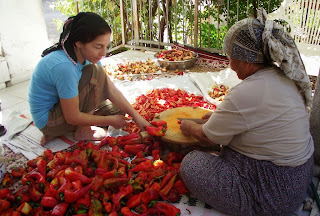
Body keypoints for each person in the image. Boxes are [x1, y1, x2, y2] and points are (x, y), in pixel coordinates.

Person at [179, 8, 314, 216]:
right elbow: (256, 120)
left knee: (191, 165)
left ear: (244, 59)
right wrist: (217, 119)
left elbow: (207, 137)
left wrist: (188, 126)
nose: (229, 63)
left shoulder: (246, 92)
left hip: (273, 192)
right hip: (300, 176)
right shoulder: (281, 77)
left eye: (230, 56)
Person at [28, 12, 150, 146]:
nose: (103, 53)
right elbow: (72, 116)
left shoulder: (87, 57)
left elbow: (111, 90)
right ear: (79, 43)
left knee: (117, 110)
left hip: (64, 107)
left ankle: (65, 130)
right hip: (49, 120)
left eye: (106, 46)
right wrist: (110, 120)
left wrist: (138, 118)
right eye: (98, 47)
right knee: (95, 74)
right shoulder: (65, 67)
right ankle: (81, 130)